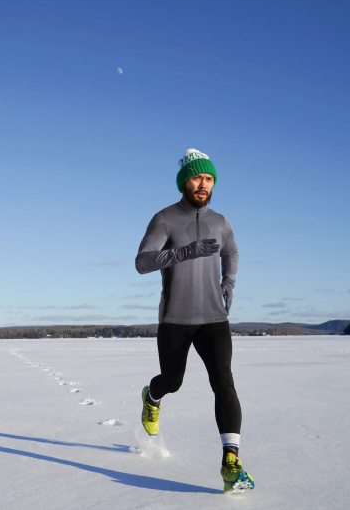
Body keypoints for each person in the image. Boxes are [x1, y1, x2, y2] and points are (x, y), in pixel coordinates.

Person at [135, 148, 254, 493]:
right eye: (197, 178)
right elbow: (142, 262)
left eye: (209, 178)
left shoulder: (221, 221)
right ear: (184, 182)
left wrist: (229, 283)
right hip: (175, 318)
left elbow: (231, 251)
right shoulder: (165, 219)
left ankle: (231, 462)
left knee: (224, 382)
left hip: (214, 318)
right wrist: (185, 252)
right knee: (173, 381)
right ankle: (152, 397)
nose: (204, 184)